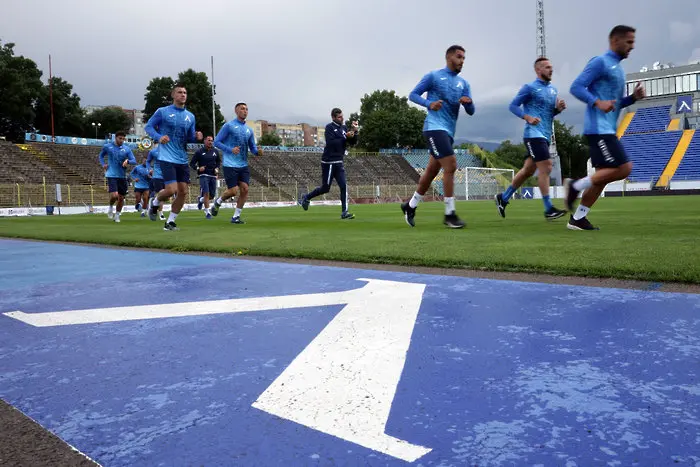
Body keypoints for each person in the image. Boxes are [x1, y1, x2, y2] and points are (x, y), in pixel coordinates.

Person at [566, 25, 646, 230]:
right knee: (623, 168)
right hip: (598, 129)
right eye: (629, 42)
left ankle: (577, 219)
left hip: (607, 128)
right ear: (614, 41)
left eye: (633, 42)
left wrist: (632, 98)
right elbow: (576, 86)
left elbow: (615, 103)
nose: (632, 46)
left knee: (601, 179)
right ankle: (575, 185)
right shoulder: (600, 62)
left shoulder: (618, 69)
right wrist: (597, 102)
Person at [401, 45, 475, 228]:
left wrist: (468, 104)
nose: (462, 61)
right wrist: (429, 103)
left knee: (432, 170)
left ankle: (410, 206)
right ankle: (450, 214)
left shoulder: (464, 84)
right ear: (449, 57)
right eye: (459, 57)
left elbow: (472, 111)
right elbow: (413, 95)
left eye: (464, 58)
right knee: (451, 165)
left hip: (449, 132)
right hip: (434, 128)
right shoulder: (433, 76)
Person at [495, 57, 568, 220]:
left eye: (552, 67)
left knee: (528, 170)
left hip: (545, 135)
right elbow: (512, 106)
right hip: (533, 135)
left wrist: (558, 109)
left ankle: (503, 198)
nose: (551, 70)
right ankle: (549, 209)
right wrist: (526, 117)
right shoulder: (529, 88)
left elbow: (549, 114)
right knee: (547, 167)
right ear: (538, 70)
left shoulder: (553, 90)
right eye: (547, 67)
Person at [144, 83, 203, 230]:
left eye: (184, 92)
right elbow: (148, 127)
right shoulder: (162, 112)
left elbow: (189, 137)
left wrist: (197, 137)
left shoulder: (190, 116)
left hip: (181, 158)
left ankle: (170, 221)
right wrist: (158, 137)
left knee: (182, 192)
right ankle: (156, 202)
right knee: (171, 190)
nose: (183, 94)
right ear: (173, 95)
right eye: (179, 92)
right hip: (166, 156)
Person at [298, 108, 358, 219]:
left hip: (339, 162)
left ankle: (345, 212)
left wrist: (355, 132)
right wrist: (345, 137)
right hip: (329, 162)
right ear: (333, 118)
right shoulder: (329, 128)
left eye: (342, 116)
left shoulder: (344, 128)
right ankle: (306, 197)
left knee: (344, 186)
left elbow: (353, 142)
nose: (342, 118)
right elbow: (331, 143)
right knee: (325, 188)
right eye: (339, 117)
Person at [211, 102, 261, 224]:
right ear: (236, 111)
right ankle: (218, 201)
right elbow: (216, 142)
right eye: (242, 109)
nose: (245, 111)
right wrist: (230, 150)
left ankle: (236, 217)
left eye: (246, 109)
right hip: (230, 164)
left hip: (243, 164)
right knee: (233, 191)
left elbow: (252, 147)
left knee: (245, 189)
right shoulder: (229, 126)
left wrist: (257, 152)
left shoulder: (249, 130)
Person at [98, 130, 137, 223]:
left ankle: (117, 215)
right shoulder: (108, 146)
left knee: (121, 198)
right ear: (116, 138)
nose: (122, 140)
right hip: (111, 174)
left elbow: (134, 160)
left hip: (122, 176)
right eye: (120, 138)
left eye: (123, 139)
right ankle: (111, 207)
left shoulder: (127, 149)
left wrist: (128, 161)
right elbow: (101, 156)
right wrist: (103, 164)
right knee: (115, 195)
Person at [190, 135, 221, 219]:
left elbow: (218, 161)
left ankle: (200, 200)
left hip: (213, 175)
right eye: (209, 140)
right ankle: (207, 212)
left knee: (212, 195)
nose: (210, 142)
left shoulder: (215, 151)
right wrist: (198, 168)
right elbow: (192, 163)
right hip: (203, 175)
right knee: (206, 193)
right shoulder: (199, 152)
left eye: (212, 140)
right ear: (204, 141)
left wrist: (217, 168)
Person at [146, 143, 166, 221]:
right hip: (157, 176)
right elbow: (148, 161)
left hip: (167, 176)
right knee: (161, 194)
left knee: (165, 196)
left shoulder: (170, 151)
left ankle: (153, 202)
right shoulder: (153, 151)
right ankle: (160, 214)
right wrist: (149, 169)